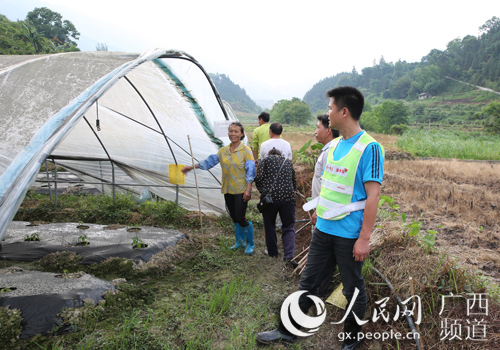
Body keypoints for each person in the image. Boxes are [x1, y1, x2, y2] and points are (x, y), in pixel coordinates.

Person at [257, 86, 384, 350]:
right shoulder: (334, 145)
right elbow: (330, 186)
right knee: (309, 283)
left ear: (344, 112)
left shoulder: (369, 148)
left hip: (349, 236)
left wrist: (364, 238)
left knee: (352, 289)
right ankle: (287, 330)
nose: (328, 112)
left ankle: (352, 341)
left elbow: (372, 197)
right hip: (324, 230)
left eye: (330, 108)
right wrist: (317, 211)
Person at [182, 122, 256, 255]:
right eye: (231, 131)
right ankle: (239, 242)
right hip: (227, 189)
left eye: (236, 132)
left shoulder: (246, 151)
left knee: (240, 217)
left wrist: (248, 189)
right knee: (233, 216)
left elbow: (250, 170)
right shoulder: (224, 151)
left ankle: (250, 243)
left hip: (241, 190)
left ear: (242, 134)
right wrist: (191, 166)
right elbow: (209, 162)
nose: (233, 134)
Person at [254, 148, 297, 264]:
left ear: (270, 154)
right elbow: (294, 182)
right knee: (288, 227)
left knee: (270, 225)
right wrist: (291, 192)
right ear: (280, 154)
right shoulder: (287, 162)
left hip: (270, 199)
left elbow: (258, 178)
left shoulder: (265, 160)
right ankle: (289, 256)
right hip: (288, 198)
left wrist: (263, 191)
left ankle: (272, 252)